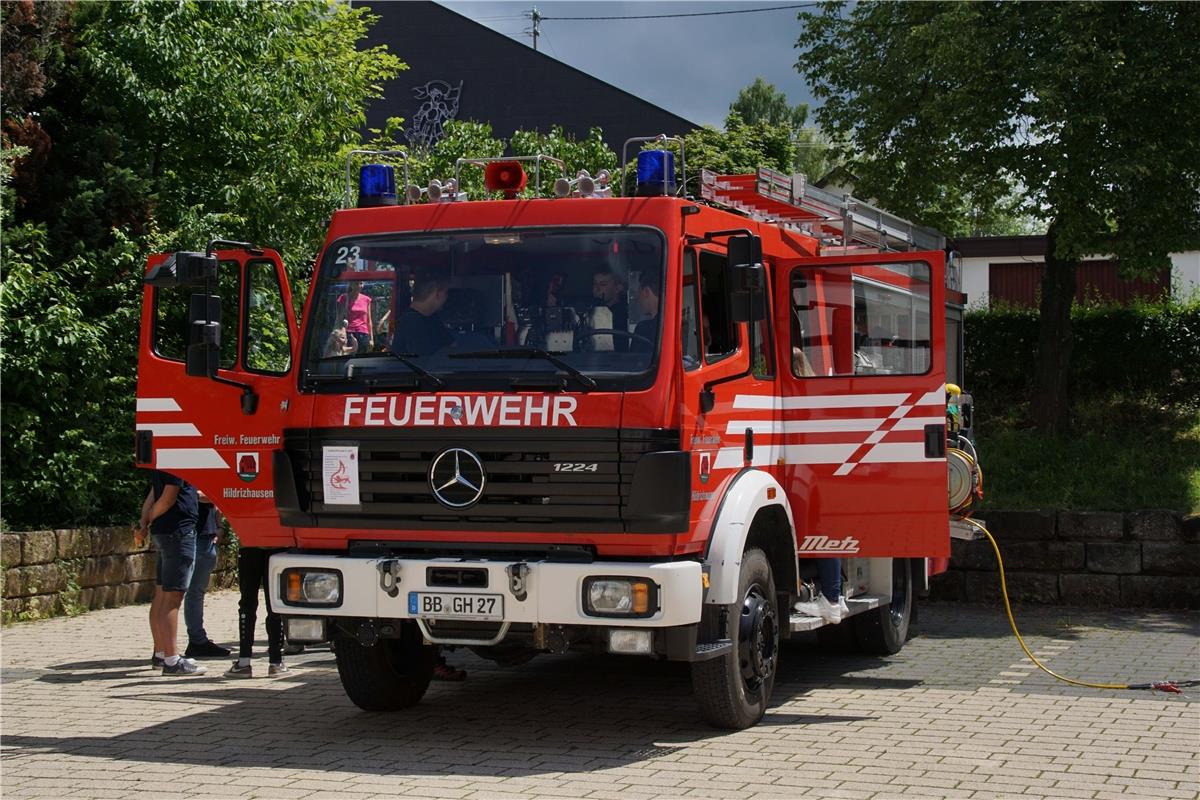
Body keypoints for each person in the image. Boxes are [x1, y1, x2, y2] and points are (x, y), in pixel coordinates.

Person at [138, 470, 206, 676]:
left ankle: (160, 654)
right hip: (178, 533)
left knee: (161, 593)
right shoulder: (178, 462)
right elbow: (167, 498)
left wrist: (145, 521)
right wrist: (149, 519)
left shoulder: (163, 462)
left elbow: (152, 494)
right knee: (173, 596)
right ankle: (172, 660)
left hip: (165, 533)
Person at [225, 546, 289, 678]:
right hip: (276, 544)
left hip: (250, 544)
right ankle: (276, 663)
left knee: (248, 604)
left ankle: (244, 662)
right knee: (275, 603)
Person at [183, 493, 231, 659]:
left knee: (195, 592)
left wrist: (219, 525)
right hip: (190, 534)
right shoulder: (182, 471)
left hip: (207, 534)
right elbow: (196, 494)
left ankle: (197, 640)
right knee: (179, 593)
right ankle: (195, 641)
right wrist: (220, 493)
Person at [392, 273, 454, 356]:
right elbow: (423, 361)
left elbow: (453, 346)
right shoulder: (411, 322)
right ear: (438, 294)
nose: (447, 297)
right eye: (446, 293)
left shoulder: (433, 319)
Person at [591, 266, 629, 351]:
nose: (597, 289)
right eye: (595, 284)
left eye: (603, 284)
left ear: (618, 287)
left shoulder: (624, 315)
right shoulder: (590, 313)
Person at [336, 280, 374, 353]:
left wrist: (371, 339)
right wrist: (339, 335)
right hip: (348, 333)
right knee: (347, 359)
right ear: (351, 284)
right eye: (356, 283)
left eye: (361, 283)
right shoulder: (344, 298)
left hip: (363, 334)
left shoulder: (367, 299)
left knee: (362, 360)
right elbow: (339, 318)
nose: (359, 286)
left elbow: (369, 320)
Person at [630, 269, 660, 352]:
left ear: (646, 291)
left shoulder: (643, 329)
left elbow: (634, 362)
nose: (638, 299)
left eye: (639, 293)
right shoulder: (675, 322)